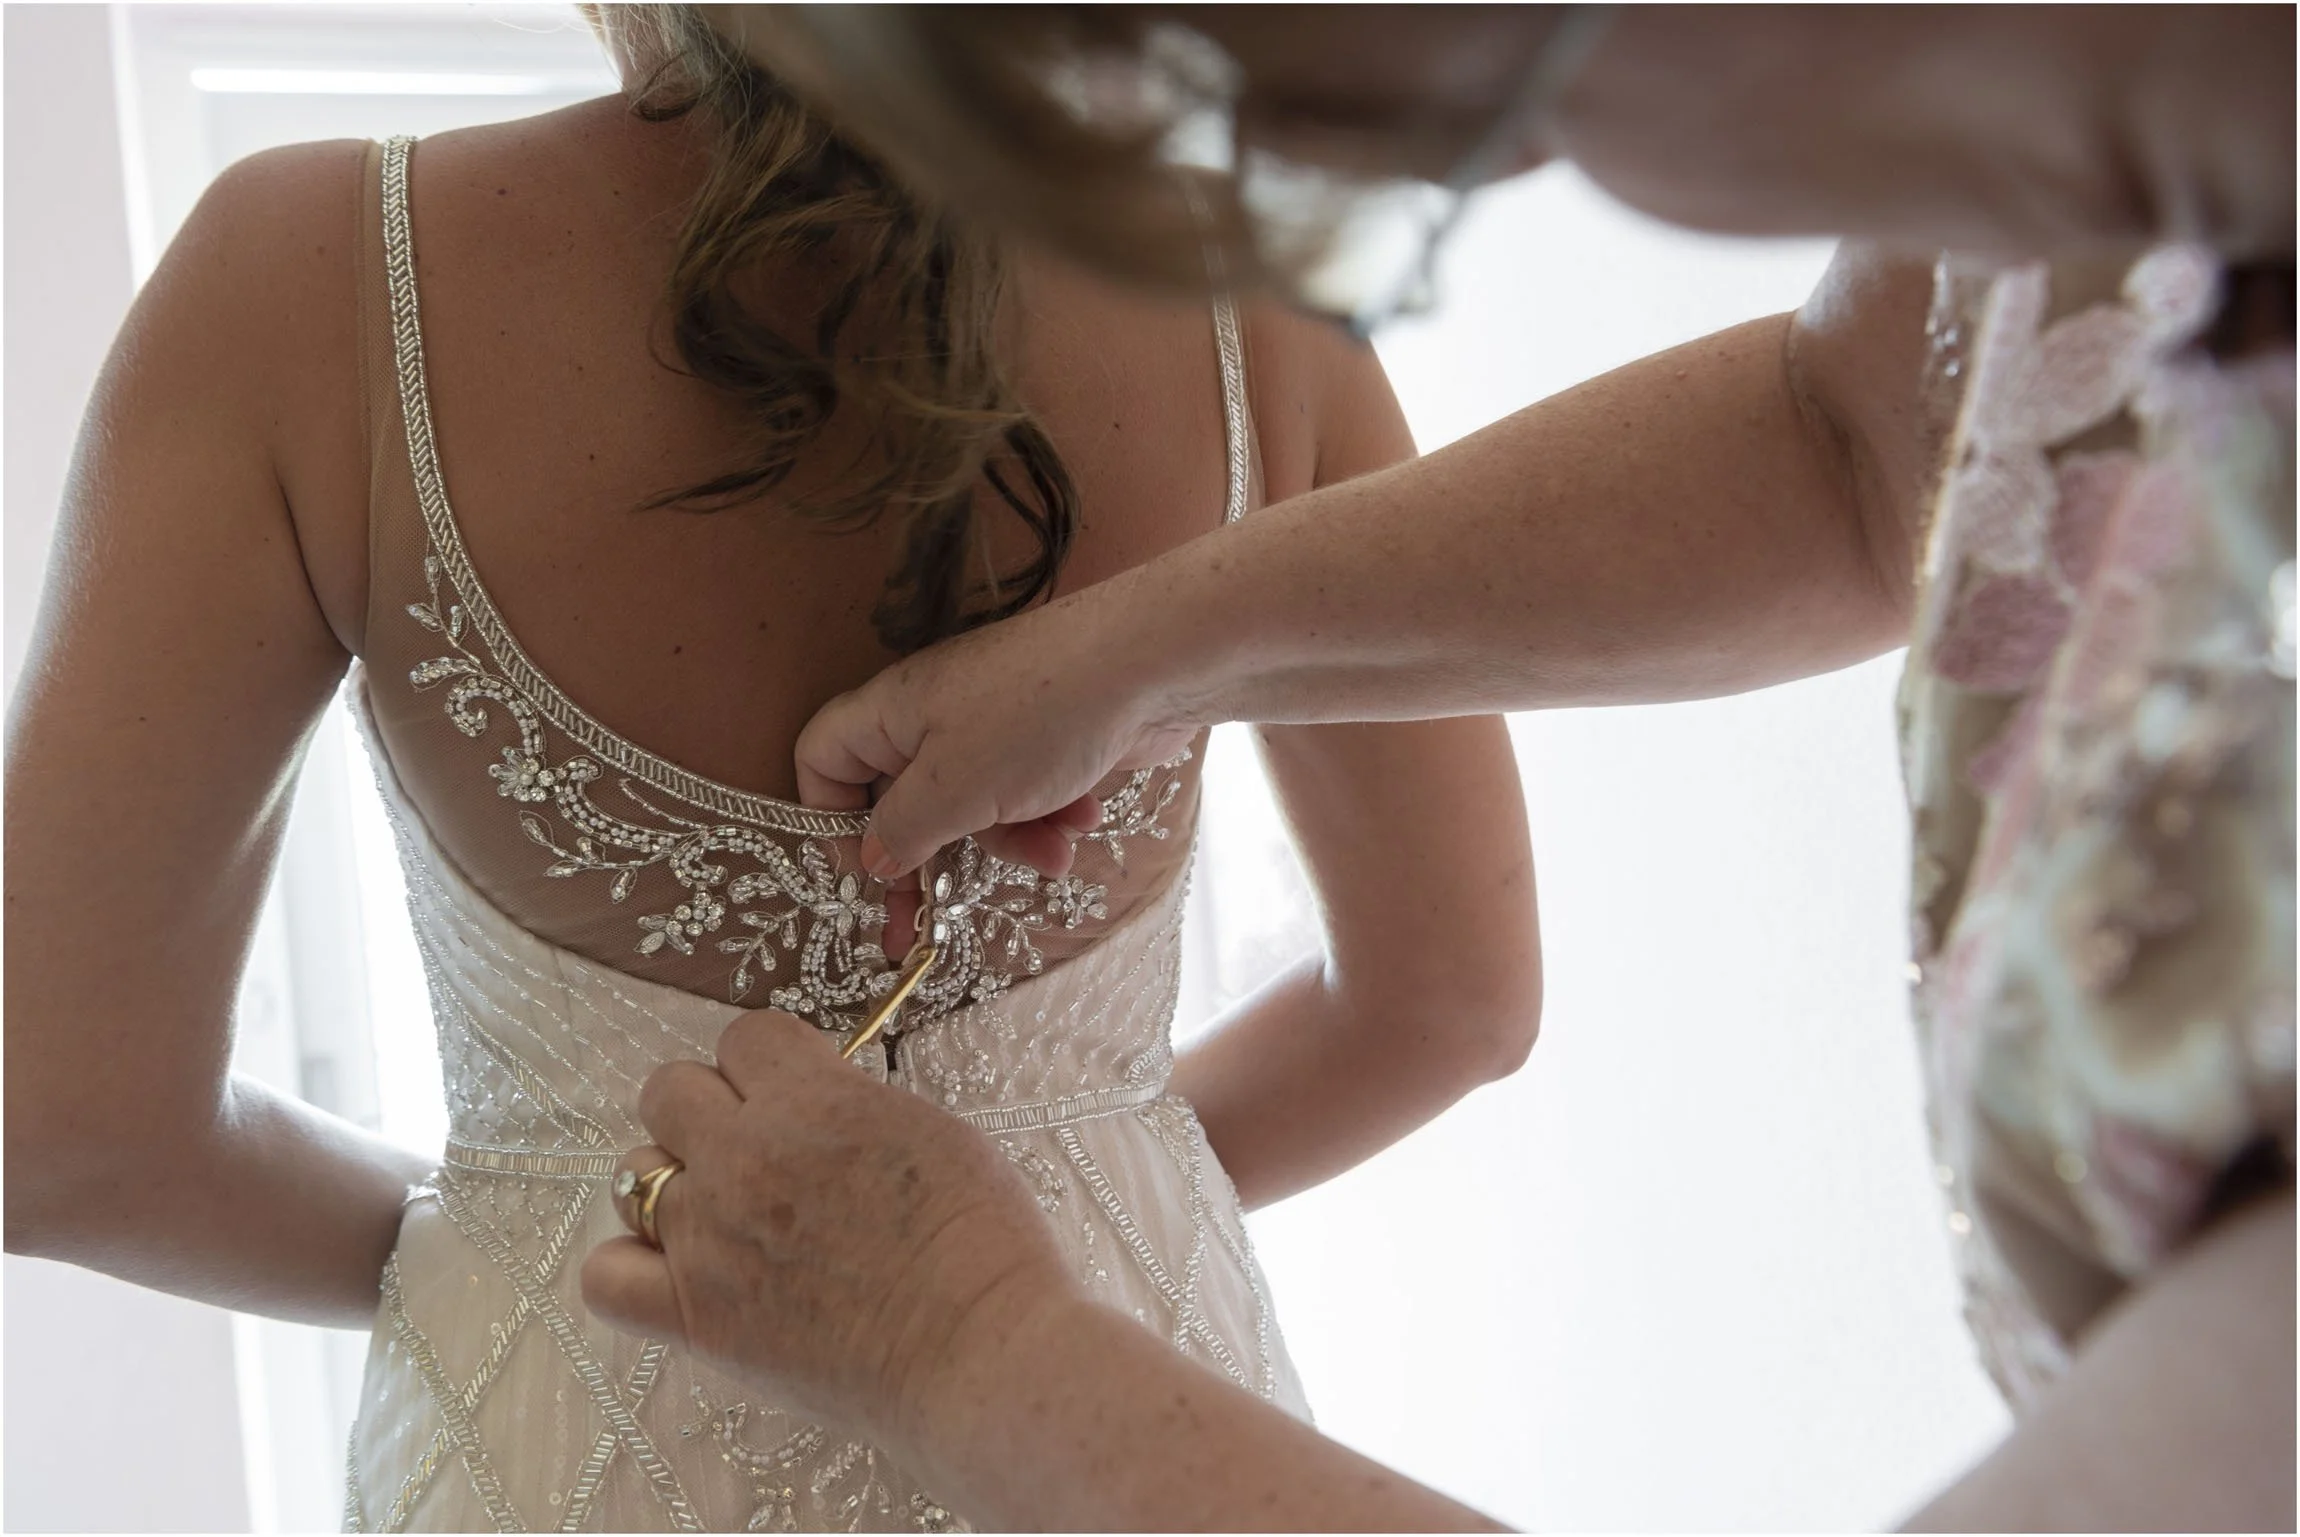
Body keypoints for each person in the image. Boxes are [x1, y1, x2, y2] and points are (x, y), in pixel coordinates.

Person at [578, 5, 2296, 1530]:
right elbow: (1859, 441)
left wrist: (961, 1344)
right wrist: (1149, 648)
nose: (1567, 176)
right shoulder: (2118, 149)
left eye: (1460, 121)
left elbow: (1449, 1003)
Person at [2, 5, 1543, 1530]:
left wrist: (542, 1218)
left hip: (561, 1442)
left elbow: (65, 1135)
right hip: (1118, 1441)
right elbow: (1449, 1006)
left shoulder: (306, 278)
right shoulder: (1242, 270)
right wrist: (1038, 1202)